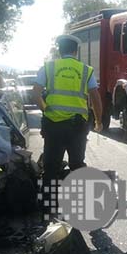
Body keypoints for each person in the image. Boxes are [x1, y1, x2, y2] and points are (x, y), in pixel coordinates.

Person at [32, 34, 103, 188]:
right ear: (76, 51)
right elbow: (96, 99)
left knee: (50, 167)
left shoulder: (48, 67)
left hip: (53, 125)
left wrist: (46, 110)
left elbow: (35, 93)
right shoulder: (86, 70)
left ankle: (49, 208)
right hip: (77, 127)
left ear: (59, 50)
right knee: (77, 165)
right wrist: (98, 121)